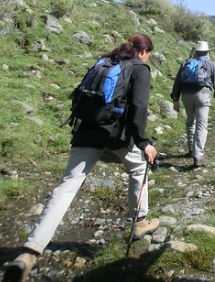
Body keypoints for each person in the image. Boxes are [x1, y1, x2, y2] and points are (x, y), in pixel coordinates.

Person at [3, 33, 159, 282]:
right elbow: (139, 108)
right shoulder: (140, 68)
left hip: (86, 129)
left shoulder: (105, 62)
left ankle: (29, 252)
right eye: (149, 53)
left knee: (66, 187)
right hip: (115, 134)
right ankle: (140, 221)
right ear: (144, 51)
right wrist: (144, 143)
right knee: (139, 168)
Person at [170, 40, 215, 167]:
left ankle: (191, 149)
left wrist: (175, 98)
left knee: (190, 121)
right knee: (201, 125)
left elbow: (177, 82)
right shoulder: (210, 64)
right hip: (203, 96)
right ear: (207, 52)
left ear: (196, 51)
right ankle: (198, 156)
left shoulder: (186, 63)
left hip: (186, 96)